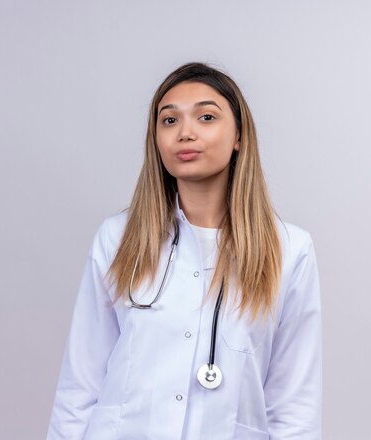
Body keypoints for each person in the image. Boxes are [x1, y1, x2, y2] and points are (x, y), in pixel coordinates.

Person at [47, 62, 321, 440]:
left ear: (239, 136)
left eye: (206, 117)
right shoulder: (117, 239)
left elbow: (294, 406)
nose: (185, 133)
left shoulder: (289, 251)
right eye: (169, 121)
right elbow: (80, 386)